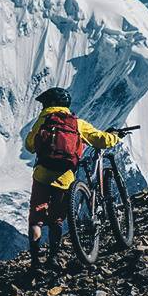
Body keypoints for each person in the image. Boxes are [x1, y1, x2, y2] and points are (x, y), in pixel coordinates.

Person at [24, 86, 120, 271]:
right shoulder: (76, 123)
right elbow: (100, 139)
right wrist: (114, 138)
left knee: (36, 219)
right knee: (56, 220)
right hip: (65, 177)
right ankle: (53, 257)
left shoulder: (43, 121)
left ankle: (35, 262)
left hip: (42, 175)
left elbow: (30, 146)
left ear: (49, 104)